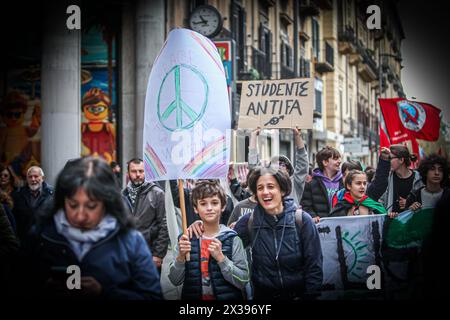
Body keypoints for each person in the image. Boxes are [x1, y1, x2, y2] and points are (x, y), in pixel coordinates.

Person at [24, 157, 162, 299]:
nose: (80, 216)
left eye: (91, 206)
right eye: (73, 205)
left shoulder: (130, 241)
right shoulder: (41, 237)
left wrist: (105, 293)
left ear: (106, 203)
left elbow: (152, 296)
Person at [190, 166, 323, 300]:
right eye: (260, 188)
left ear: (282, 190)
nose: (265, 192)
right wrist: (202, 225)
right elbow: (225, 239)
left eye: (271, 186)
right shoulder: (249, 222)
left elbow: (314, 267)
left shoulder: (302, 221)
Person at [168, 180, 249, 300]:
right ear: (195, 208)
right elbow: (175, 280)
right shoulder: (185, 239)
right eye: (203, 203)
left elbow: (243, 280)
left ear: (223, 206)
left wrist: (222, 259)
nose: (209, 208)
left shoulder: (233, 239)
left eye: (215, 203)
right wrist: (181, 257)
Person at [122, 158, 169, 271]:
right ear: (128, 173)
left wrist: (158, 255)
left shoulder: (157, 193)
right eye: (134, 171)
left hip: (149, 254)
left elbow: (164, 224)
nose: (138, 174)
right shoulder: (123, 195)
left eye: (141, 171)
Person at [248, 127, 309, 205]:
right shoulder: (264, 181)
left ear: (288, 170)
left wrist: (297, 136)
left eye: (283, 164)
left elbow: (303, 163)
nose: (279, 167)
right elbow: (253, 167)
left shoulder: (295, 183)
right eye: (275, 164)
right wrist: (253, 136)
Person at [301, 146, 343, 222]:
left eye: (339, 158)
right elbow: (306, 205)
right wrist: (313, 216)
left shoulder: (344, 182)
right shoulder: (311, 184)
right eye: (335, 159)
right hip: (321, 228)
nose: (339, 161)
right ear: (325, 162)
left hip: (341, 226)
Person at [12, 166, 54, 243]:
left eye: (36, 176)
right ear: (27, 179)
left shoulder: (52, 194)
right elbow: (15, 218)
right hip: (24, 240)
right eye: (30, 177)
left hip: (46, 240)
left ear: (42, 178)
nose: (33, 179)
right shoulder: (18, 195)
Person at [380, 144, 423, 213]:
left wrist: (409, 203)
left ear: (401, 160)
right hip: (392, 223)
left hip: (414, 222)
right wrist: (387, 213)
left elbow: (426, 203)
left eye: (390, 158)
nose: (388, 161)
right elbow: (380, 203)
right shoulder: (387, 179)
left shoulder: (419, 179)